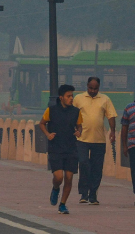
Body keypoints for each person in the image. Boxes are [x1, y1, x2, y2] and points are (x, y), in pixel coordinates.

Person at [73, 76, 116, 204]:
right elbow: (72, 115)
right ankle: (83, 193)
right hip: (82, 138)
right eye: (90, 88)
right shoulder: (78, 98)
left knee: (97, 168)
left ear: (99, 88)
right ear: (86, 86)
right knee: (84, 163)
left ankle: (93, 195)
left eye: (95, 88)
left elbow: (111, 115)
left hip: (99, 140)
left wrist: (112, 131)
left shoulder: (105, 99)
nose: (92, 91)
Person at [40, 84, 82, 214]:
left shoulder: (76, 111)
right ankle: (55, 188)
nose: (71, 98)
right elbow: (42, 123)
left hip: (71, 148)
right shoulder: (51, 110)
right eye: (68, 96)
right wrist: (48, 134)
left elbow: (79, 126)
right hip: (56, 148)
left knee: (69, 177)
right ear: (61, 97)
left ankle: (62, 204)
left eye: (72, 96)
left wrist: (79, 132)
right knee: (59, 177)